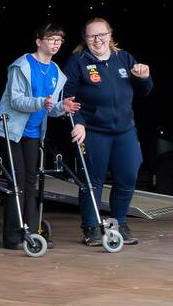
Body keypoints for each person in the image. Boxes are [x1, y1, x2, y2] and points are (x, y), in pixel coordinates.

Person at [0, 23, 86, 249]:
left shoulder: (56, 72)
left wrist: (63, 105)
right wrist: (40, 102)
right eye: (51, 38)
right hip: (10, 129)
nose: (56, 43)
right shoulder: (22, 65)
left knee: (31, 182)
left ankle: (32, 234)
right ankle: (13, 237)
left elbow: (50, 109)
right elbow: (15, 100)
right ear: (39, 41)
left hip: (33, 131)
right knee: (17, 181)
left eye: (59, 40)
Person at [62, 17, 152, 246]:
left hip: (124, 131)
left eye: (102, 34)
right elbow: (67, 97)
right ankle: (91, 227)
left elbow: (144, 91)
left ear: (110, 35)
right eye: (92, 36)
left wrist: (144, 78)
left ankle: (118, 223)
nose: (97, 40)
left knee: (128, 176)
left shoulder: (124, 58)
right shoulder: (77, 62)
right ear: (85, 39)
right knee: (92, 181)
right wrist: (78, 122)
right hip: (93, 131)